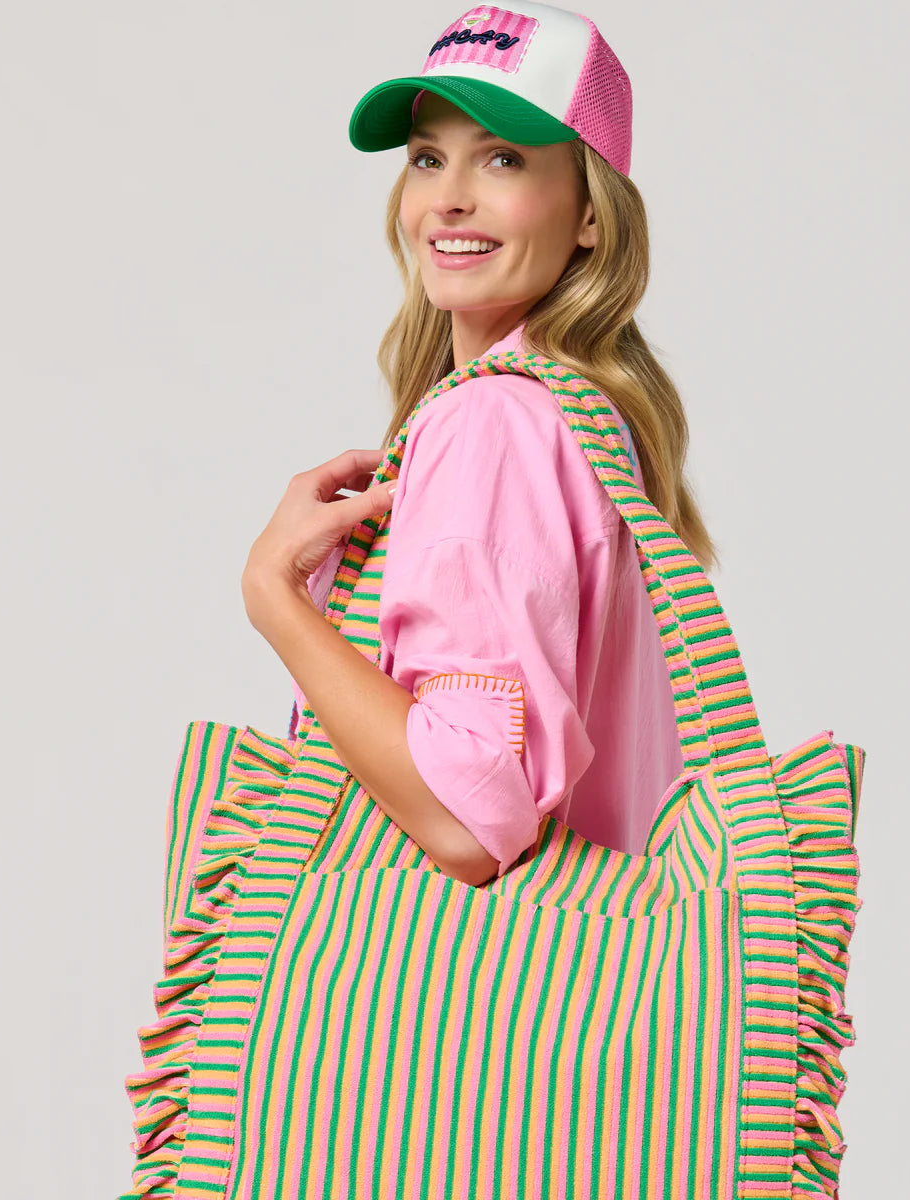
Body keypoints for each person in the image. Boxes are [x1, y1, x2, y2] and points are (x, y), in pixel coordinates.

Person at [240, 0, 717, 889]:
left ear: (590, 215)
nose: (449, 195)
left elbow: (467, 818)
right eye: (429, 158)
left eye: (502, 157)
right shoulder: (593, 418)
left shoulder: (494, 422)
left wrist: (274, 596)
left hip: (449, 1023)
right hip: (588, 1015)